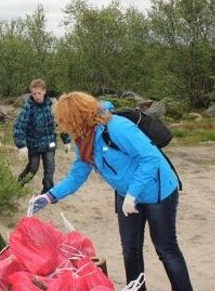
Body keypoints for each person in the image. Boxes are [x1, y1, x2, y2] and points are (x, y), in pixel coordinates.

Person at [29, 92, 193, 291]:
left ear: (76, 117)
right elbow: (77, 175)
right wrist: (50, 196)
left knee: (166, 249)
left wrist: (133, 194)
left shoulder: (117, 127)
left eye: (64, 120)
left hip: (157, 191)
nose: (63, 126)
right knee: (130, 250)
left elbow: (150, 158)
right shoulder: (83, 139)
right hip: (127, 195)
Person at [13, 79, 71, 194]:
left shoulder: (52, 105)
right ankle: (18, 185)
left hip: (49, 143)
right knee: (32, 168)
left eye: (39, 93)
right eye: (34, 93)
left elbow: (60, 123)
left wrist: (66, 141)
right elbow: (19, 126)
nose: (37, 96)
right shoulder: (28, 107)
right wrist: (21, 145)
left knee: (50, 168)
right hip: (33, 144)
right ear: (31, 93)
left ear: (44, 91)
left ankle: (47, 191)